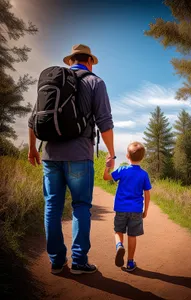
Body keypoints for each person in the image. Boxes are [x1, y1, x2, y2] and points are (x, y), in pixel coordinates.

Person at [27, 44, 116, 275]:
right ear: (89, 61)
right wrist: (111, 153)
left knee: (52, 207)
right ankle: (79, 261)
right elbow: (104, 121)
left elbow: (33, 120)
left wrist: (32, 150)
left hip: (50, 156)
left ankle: (56, 262)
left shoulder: (52, 82)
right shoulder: (95, 82)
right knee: (81, 207)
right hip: (79, 155)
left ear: (70, 61)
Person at [103, 142, 151, 272]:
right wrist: (145, 211)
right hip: (136, 210)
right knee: (132, 235)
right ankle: (130, 262)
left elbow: (106, 177)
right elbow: (147, 194)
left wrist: (107, 166)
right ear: (142, 158)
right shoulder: (144, 174)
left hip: (121, 208)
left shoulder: (122, 170)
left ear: (127, 156)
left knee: (118, 231)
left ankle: (119, 245)